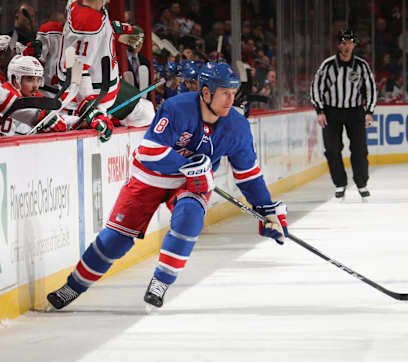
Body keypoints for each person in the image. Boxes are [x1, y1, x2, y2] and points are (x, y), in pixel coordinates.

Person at [46, 62, 289, 310]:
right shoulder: (177, 107)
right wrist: (187, 164)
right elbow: (149, 152)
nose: (230, 99)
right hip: (150, 177)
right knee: (116, 240)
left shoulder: (237, 127)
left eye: (233, 93)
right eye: (224, 92)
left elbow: (249, 175)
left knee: (190, 218)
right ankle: (72, 286)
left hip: (191, 184)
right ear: (206, 92)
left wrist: (267, 210)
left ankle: (160, 283)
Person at [58, 0, 143, 140]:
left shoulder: (88, 6)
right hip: (96, 96)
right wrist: (91, 111)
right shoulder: (88, 20)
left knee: (145, 111)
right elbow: (75, 69)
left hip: (107, 87)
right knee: (145, 114)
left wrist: (111, 29)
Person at [310, 28, 377, 200]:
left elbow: (370, 89)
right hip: (332, 112)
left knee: (360, 149)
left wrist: (369, 111)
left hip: (355, 112)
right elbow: (316, 87)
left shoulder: (361, 66)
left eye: (350, 43)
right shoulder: (328, 65)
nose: (346, 46)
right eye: (343, 43)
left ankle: (361, 184)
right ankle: (340, 184)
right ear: (338, 44)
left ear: (354, 45)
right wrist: (320, 110)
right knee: (332, 149)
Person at [0, 55, 66, 136]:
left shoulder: (32, 99)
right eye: (30, 79)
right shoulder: (5, 102)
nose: (35, 86)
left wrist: (77, 120)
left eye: (38, 80)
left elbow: (59, 119)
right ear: (15, 80)